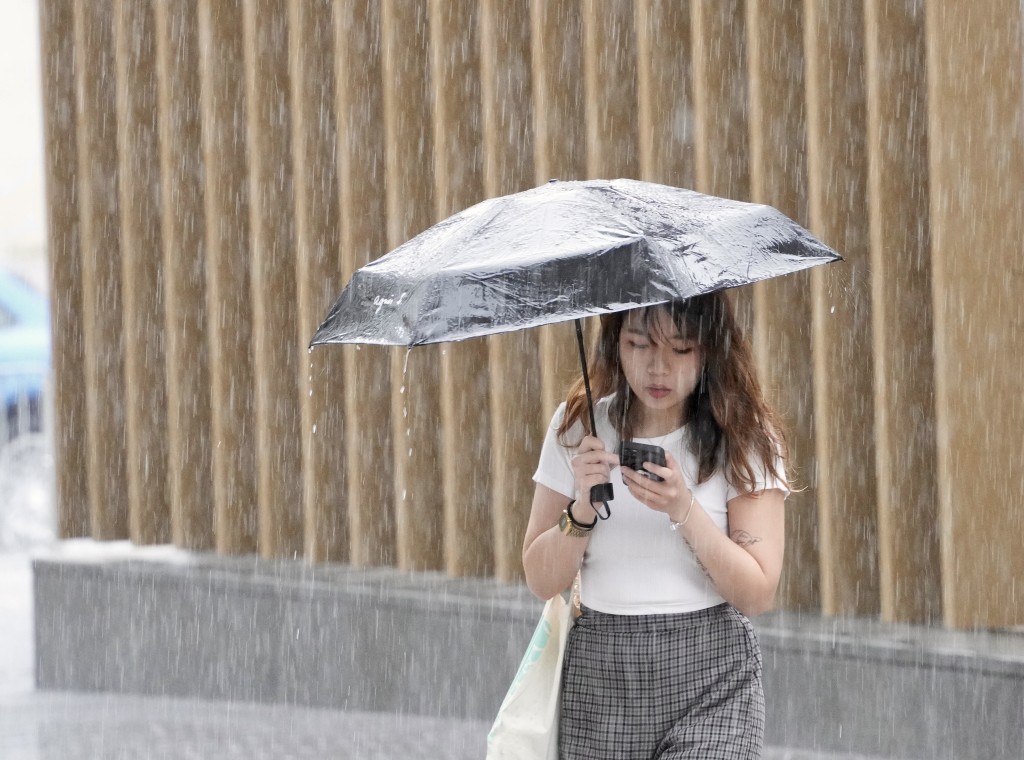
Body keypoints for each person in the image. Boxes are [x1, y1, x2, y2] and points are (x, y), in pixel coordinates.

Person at [522, 292, 789, 759]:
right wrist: (583, 506)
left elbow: (757, 592)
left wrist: (684, 509)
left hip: (711, 673)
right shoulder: (579, 427)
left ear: (709, 348)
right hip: (601, 675)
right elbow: (541, 578)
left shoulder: (744, 434)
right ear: (615, 342)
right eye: (639, 344)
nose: (658, 367)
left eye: (680, 347)